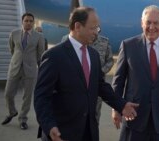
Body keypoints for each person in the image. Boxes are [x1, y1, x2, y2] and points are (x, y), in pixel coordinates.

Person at [34, 6, 138, 141]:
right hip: (61, 133)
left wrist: (121, 105)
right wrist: (49, 126)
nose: (96, 32)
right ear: (77, 26)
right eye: (93, 28)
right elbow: (41, 97)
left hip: (88, 131)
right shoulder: (54, 56)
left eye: (97, 28)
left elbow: (100, 85)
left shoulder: (93, 55)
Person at [112, 5, 159, 141]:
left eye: (156, 23)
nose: (152, 27)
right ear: (142, 23)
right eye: (148, 22)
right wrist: (117, 107)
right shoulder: (128, 46)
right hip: (134, 118)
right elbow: (119, 80)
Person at [1, 12, 45, 130]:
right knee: (8, 93)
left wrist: (40, 69)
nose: (29, 23)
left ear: (33, 22)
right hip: (15, 67)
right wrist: (17, 61)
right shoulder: (14, 34)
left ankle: (23, 119)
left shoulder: (39, 36)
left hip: (30, 70)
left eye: (31, 21)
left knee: (27, 96)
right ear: (22, 21)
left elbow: (40, 54)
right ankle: (12, 112)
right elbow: (12, 49)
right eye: (26, 20)